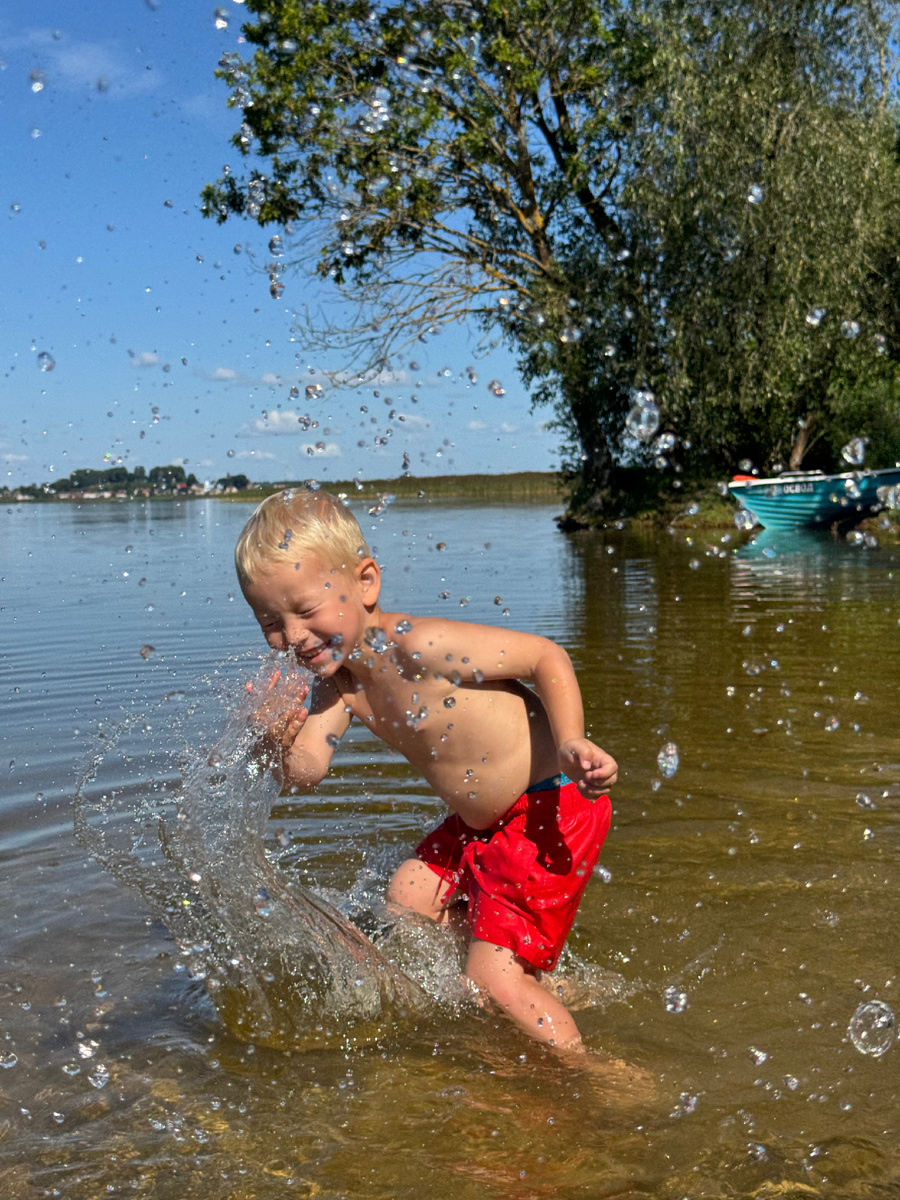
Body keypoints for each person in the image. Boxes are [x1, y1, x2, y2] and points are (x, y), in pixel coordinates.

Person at [236, 488, 617, 1054]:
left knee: (489, 980)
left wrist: (571, 741)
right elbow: (308, 769)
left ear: (365, 583)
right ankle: (515, 981)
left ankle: (591, 1076)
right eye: (271, 620)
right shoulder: (339, 686)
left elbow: (545, 656)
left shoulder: (419, 646)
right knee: (408, 897)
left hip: (548, 805)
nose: (291, 636)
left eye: (306, 610)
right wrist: (270, 737)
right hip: (481, 822)